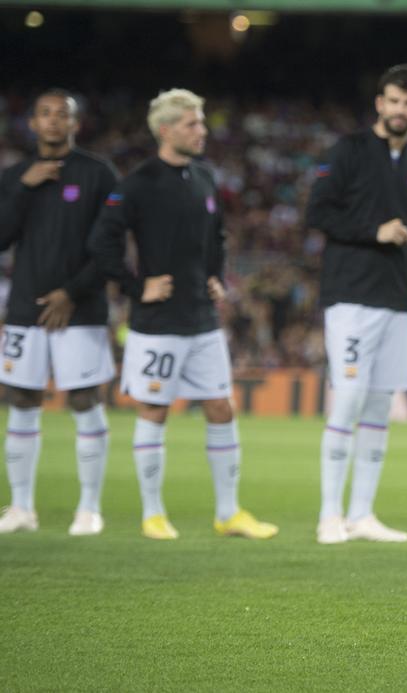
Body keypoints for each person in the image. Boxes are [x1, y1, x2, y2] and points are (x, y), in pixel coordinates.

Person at [88, 88, 277, 540]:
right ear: (165, 129)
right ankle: (153, 513)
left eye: (202, 122)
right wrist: (137, 286)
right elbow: (101, 244)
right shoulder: (138, 183)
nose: (202, 131)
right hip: (156, 324)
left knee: (221, 406)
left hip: (201, 318)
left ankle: (228, 513)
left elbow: (217, 237)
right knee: (155, 409)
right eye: (193, 124)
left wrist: (216, 274)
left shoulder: (205, 177)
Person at [305, 63, 407, 545]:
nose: (400, 109)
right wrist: (375, 231)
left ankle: (362, 514)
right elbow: (317, 212)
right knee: (347, 399)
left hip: (395, 303)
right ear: (380, 103)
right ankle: (330, 515)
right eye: (393, 100)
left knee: (378, 406)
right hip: (350, 296)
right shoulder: (347, 151)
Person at [0, 89, 118, 536]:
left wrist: (72, 291)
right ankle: (21, 508)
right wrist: (23, 190)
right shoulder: (15, 176)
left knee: (85, 400)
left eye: (62, 115)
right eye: (44, 113)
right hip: (25, 308)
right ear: (32, 122)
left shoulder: (98, 173)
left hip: (81, 309)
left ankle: (89, 509)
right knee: (22, 400)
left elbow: (109, 245)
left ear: (75, 124)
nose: (52, 121)